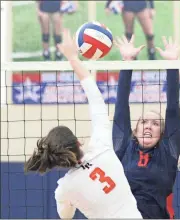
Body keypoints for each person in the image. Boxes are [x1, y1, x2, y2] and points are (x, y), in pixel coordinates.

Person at [24, 29, 143, 219]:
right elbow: (96, 99)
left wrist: (67, 198)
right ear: (79, 142)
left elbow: (66, 217)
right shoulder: (102, 149)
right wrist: (73, 58)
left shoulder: (64, 189)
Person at [113, 35, 180, 218]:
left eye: (155, 124)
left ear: (162, 133)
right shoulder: (124, 147)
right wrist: (127, 62)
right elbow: (121, 106)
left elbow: (173, 108)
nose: (148, 127)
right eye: (143, 122)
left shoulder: (169, 152)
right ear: (135, 131)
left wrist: (172, 65)